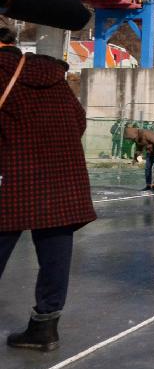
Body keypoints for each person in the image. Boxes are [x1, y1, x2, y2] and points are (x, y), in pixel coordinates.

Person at [0, 39, 97, 352]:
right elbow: (78, 121)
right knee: (55, 255)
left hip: (13, 177)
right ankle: (44, 329)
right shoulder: (52, 75)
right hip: (62, 178)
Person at [124, 124, 154, 191]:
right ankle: (148, 185)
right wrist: (135, 159)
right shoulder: (136, 138)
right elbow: (139, 148)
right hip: (150, 150)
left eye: (130, 138)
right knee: (147, 168)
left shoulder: (145, 133)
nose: (130, 140)